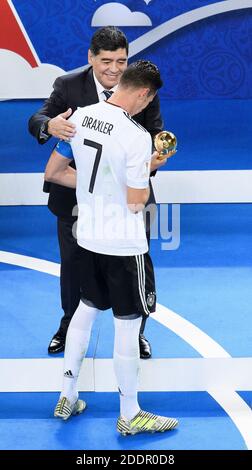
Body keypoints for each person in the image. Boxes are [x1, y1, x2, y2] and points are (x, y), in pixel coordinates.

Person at [45, 60, 178, 434]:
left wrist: (99, 185)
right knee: (127, 325)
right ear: (143, 94)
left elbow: (54, 173)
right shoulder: (136, 137)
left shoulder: (82, 116)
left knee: (85, 312)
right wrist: (151, 165)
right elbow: (136, 201)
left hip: (86, 237)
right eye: (148, 101)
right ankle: (130, 412)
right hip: (123, 245)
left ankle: (68, 396)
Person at [29, 26, 165, 359]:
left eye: (121, 60)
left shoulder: (141, 90)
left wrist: (152, 161)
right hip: (76, 202)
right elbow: (37, 118)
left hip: (127, 203)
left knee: (136, 267)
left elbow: (154, 134)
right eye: (106, 61)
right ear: (91, 58)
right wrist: (49, 126)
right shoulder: (68, 86)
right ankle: (67, 327)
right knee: (74, 265)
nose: (115, 69)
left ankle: (137, 335)